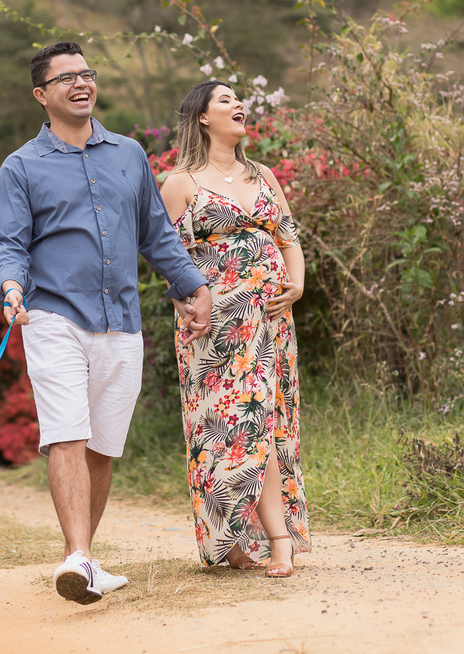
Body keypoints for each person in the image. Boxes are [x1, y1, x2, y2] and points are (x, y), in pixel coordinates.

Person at [0, 42, 212, 605]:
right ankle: (78, 558)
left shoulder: (129, 155)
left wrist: (192, 286)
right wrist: (10, 286)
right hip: (52, 315)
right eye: (66, 78)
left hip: (121, 320)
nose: (81, 83)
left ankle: (85, 557)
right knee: (67, 432)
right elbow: (7, 243)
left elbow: (156, 233)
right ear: (41, 95)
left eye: (86, 73)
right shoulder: (21, 167)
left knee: (103, 447)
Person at [159, 79, 311, 578]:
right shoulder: (181, 182)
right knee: (233, 427)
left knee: (268, 421)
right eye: (225, 99)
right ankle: (271, 539)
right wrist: (187, 305)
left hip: (271, 318)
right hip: (217, 324)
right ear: (203, 117)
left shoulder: (263, 175)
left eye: (238, 98)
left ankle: (256, 538)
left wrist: (297, 284)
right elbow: (168, 256)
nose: (238, 104)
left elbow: (288, 237)